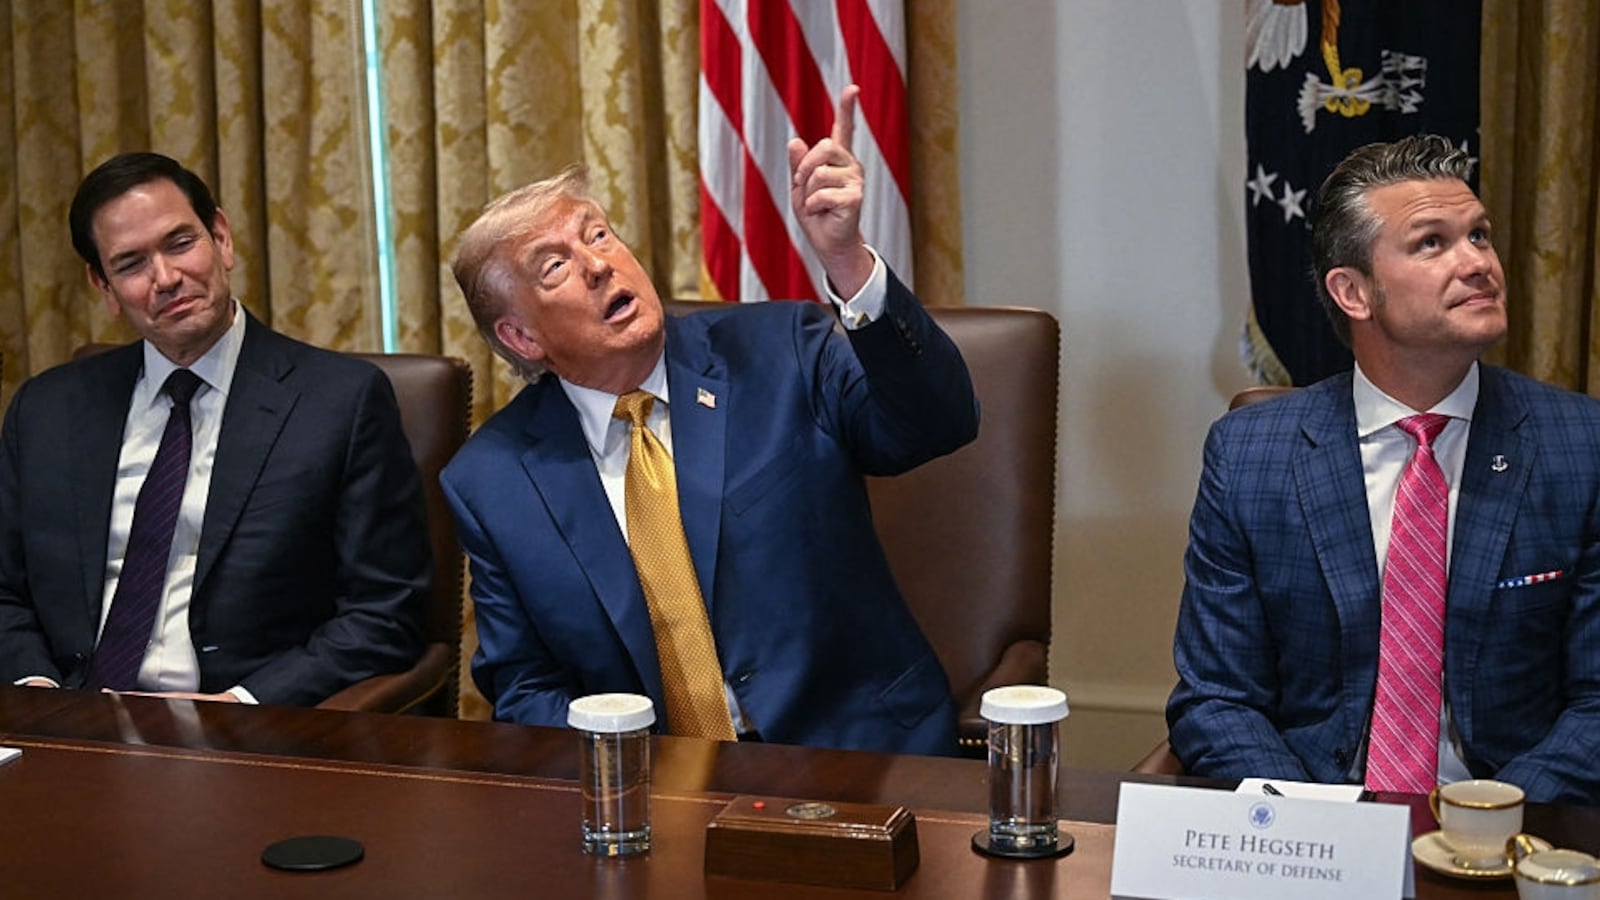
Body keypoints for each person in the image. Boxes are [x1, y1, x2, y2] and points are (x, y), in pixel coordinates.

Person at [441, 86, 978, 754]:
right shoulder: (492, 481)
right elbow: (523, 685)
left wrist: (847, 261)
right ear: (522, 338)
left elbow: (939, 423)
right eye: (555, 267)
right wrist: (630, 768)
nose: (599, 265)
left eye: (599, 235)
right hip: (657, 784)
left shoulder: (780, 350)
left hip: (857, 756)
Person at [1166, 134, 1600, 803]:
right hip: (1314, 819)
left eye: (1479, 235)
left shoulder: (1581, 444)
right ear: (1354, 292)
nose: (1478, 263)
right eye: (1432, 243)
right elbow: (1218, 698)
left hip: (1511, 820)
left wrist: (1485, 823)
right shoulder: (1249, 455)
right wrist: (1316, 829)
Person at [0, 151, 431, 705]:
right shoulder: (46, 410)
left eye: (181, 243)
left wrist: (241, 706)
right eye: (130, 264)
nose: (166, 278)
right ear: (103, 287)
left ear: (221, 239)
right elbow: (5, 593)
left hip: (238, 726)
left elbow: (385, 612)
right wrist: (37, 692)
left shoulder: (340, 403)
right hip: (68, 718)